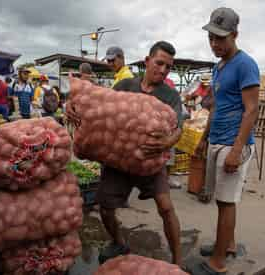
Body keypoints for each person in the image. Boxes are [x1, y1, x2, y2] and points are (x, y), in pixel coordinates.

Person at [69, 41, 184, 266]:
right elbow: (98, 108)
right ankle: (119, 242)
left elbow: (179, 127)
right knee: (105, 207)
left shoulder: (171, 96)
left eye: (168, 67)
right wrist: (72, 106)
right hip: (118, 163)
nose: (162, 70)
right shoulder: (125, 85)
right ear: (147, 61)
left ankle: (178, 261)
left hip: (150, 162)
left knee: (166, 208)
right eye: (159, 63)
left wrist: (168, 141)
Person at [187, 7, 260, 275]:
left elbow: (252, 110)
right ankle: (227, 244)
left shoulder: (245, 64)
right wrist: (204, 138)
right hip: (217, 139)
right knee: (222, 199)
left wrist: (236, 151)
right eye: (211, 38)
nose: (215, 44)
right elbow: (216, 107)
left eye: (221, 39)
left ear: (235, 35)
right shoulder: (218, 68)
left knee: (227, 202)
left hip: (234, 142)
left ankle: (218, 263)